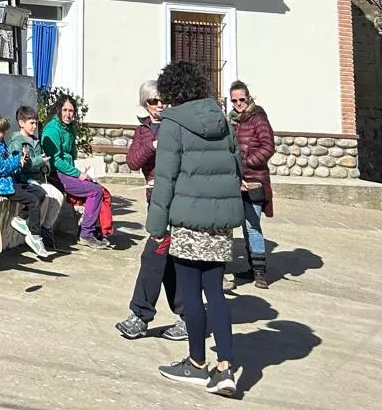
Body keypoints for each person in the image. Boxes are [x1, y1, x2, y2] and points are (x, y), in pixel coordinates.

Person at [146, 61, 245, 397]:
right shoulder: (223, 119)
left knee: (191, 292)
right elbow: (237, 164)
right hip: (219, 223)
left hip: (188, 220)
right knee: (215, 291)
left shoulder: (172, 123)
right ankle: (225, 368)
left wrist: (156, 225)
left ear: (172, 91)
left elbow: (165, 178)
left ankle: (197, 363)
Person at [115, 81, 186, 342]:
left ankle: (140, 316)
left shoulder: (177, 127)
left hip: (174, 201)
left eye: (162, 100)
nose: (159, 106)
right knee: (166, 260)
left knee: (154, 255)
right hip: (154, 201)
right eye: (153, 102)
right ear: (145, 104)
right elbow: (133, 162)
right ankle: (188, 316)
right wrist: (153, 146)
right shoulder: (143, 131)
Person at [40, 94, 110, 248]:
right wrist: (78, 174)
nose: (68, 114)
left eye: (71, 111)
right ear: (58, 110)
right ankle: (86, 234)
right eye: (64, 110)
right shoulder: (52, 129)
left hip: (69, 171)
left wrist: (82, 169)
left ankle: (96, 230)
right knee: (95, 192)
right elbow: (55, 160)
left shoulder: (70, 129)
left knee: (100, 190)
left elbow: (72, 155)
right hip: (56, 173)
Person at [227, 81, 275, 289]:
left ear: (249, 98)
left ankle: (260, 272)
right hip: (236, 181)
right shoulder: (232, 121)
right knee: (240, 227)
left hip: (255, 180)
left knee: (252, 225)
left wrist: (246, 162)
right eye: (234, 100)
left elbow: (268, 147)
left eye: (242, 99)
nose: (238, 104)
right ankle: (250, 266)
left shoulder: (258, 119)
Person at [0, 111, 49, 259]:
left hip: (10, 182)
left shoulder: (0, 144)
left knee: (40, 193)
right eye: (1, 132)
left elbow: (9, 163)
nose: (4, 135)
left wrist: (20, 159)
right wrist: (16, 162)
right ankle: (35, 236)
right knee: (33, 201)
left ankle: (20, 219)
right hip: (0, 186)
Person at [8, 106, 65, 249]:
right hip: (24, 179)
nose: (35, 126)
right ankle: (36, 233)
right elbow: (22, 166)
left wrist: (45, 167)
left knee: (58, 196)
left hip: (38, 178)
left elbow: (42, 161)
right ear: (21, 123)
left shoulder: (36, 141)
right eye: (31, 123)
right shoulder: (16, 142)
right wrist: (40, 161)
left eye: (36, 123)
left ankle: (46, 228)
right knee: (43, 196)